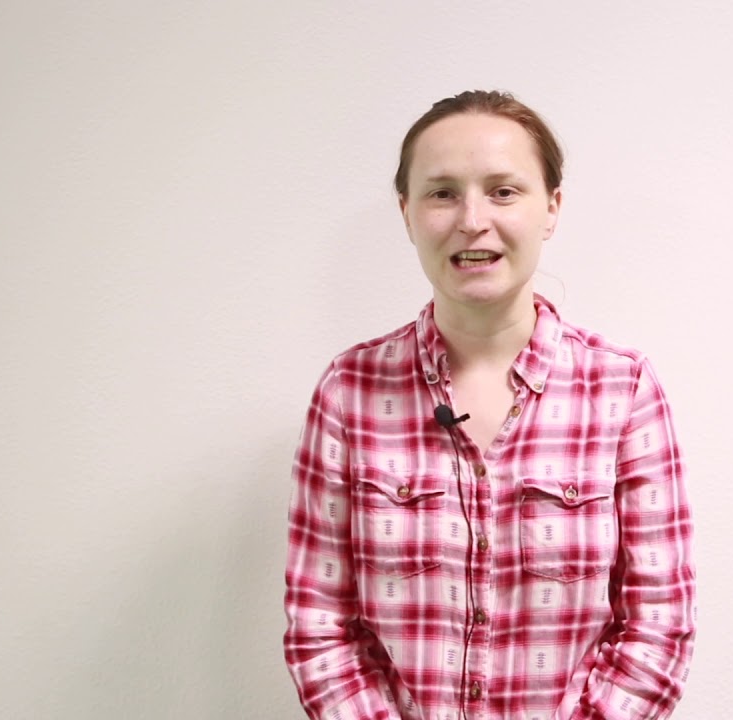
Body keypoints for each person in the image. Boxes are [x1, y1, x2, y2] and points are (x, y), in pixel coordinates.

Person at [284, 90, 695, 720]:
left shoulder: (623, 389)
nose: (472, 219)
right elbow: (321, 627)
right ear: (407, 212)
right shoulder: (349, 392)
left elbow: (658, 626)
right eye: (442, 193)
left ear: (551, 208)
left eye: (503, 191)